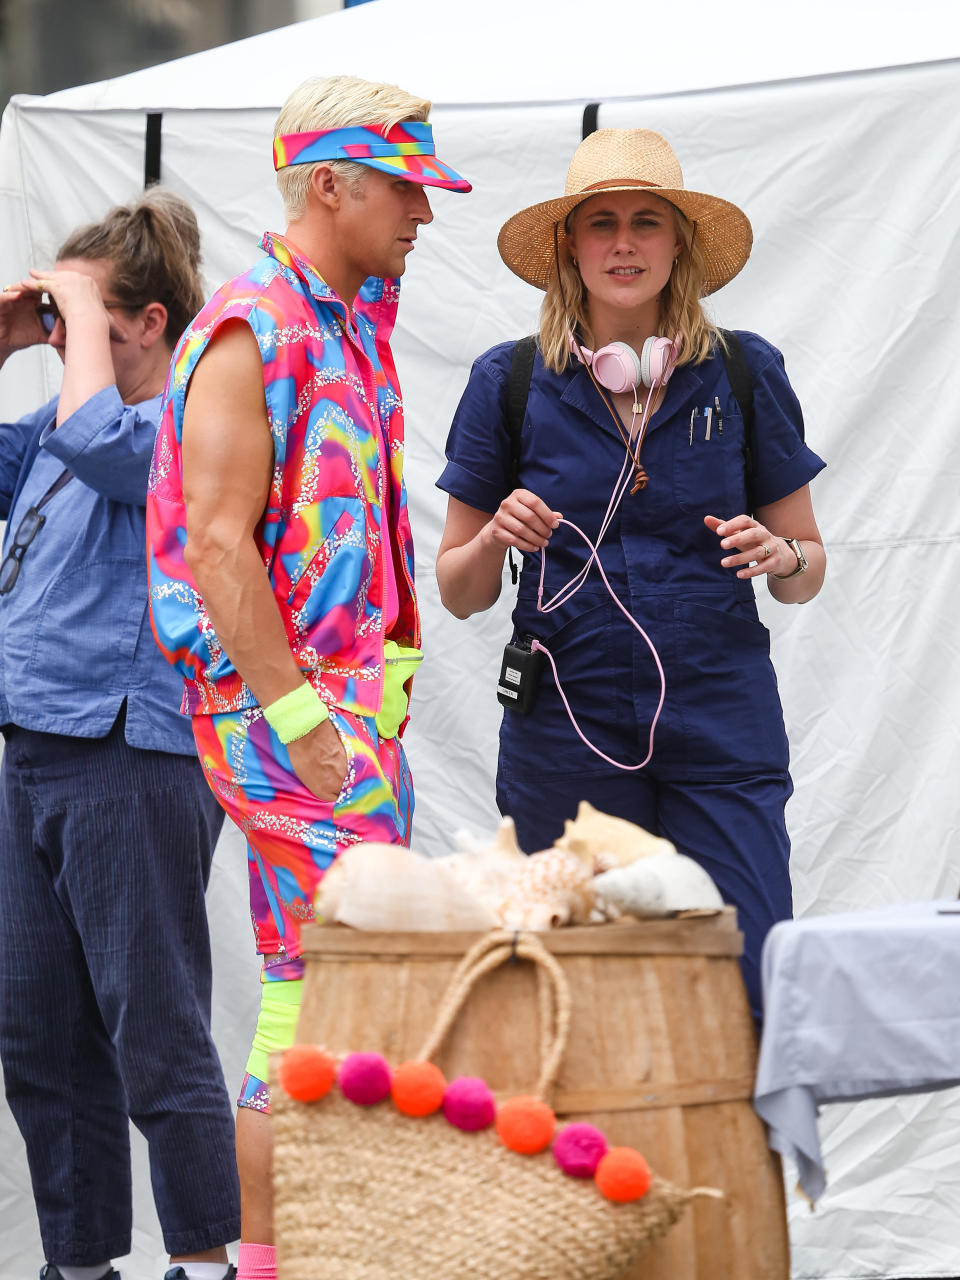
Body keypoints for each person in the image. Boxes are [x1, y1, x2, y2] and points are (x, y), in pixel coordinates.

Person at [145, 75, 470, 1280]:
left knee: (330, 990)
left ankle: (294, 1257)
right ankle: (281, 1261)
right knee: (330, 986)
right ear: (327, 184)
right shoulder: (253, 324)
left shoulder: (348, 318)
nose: (423, 217)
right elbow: (216, 546)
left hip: (347, 703)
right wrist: (298, 714)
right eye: (404, 189)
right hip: (288, 709)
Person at [435, 128, 826, 1021]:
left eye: (646, 223)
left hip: (721, 720)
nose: (623, 243)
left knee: (751, 975)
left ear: (676, 243)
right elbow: (458, 591)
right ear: (569, 246)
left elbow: (809, 570)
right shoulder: (510, 379)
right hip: (563, 728)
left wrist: (783, 555)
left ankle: (737, 1162)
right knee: (574, 996)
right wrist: (496, 535)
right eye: (600, 223)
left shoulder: (742, 370)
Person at [0, 191, 240, 1280]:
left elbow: (105, 444)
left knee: (157, 1032)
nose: (57, 336)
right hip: (34, 748)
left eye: (79, 317)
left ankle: (202, 1262)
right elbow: (63, 433)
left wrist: (80, 320)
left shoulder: (184, 422)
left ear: (146, 322)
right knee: (41, 1035)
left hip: (130, 752)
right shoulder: (58, 423)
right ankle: (82, 1263)